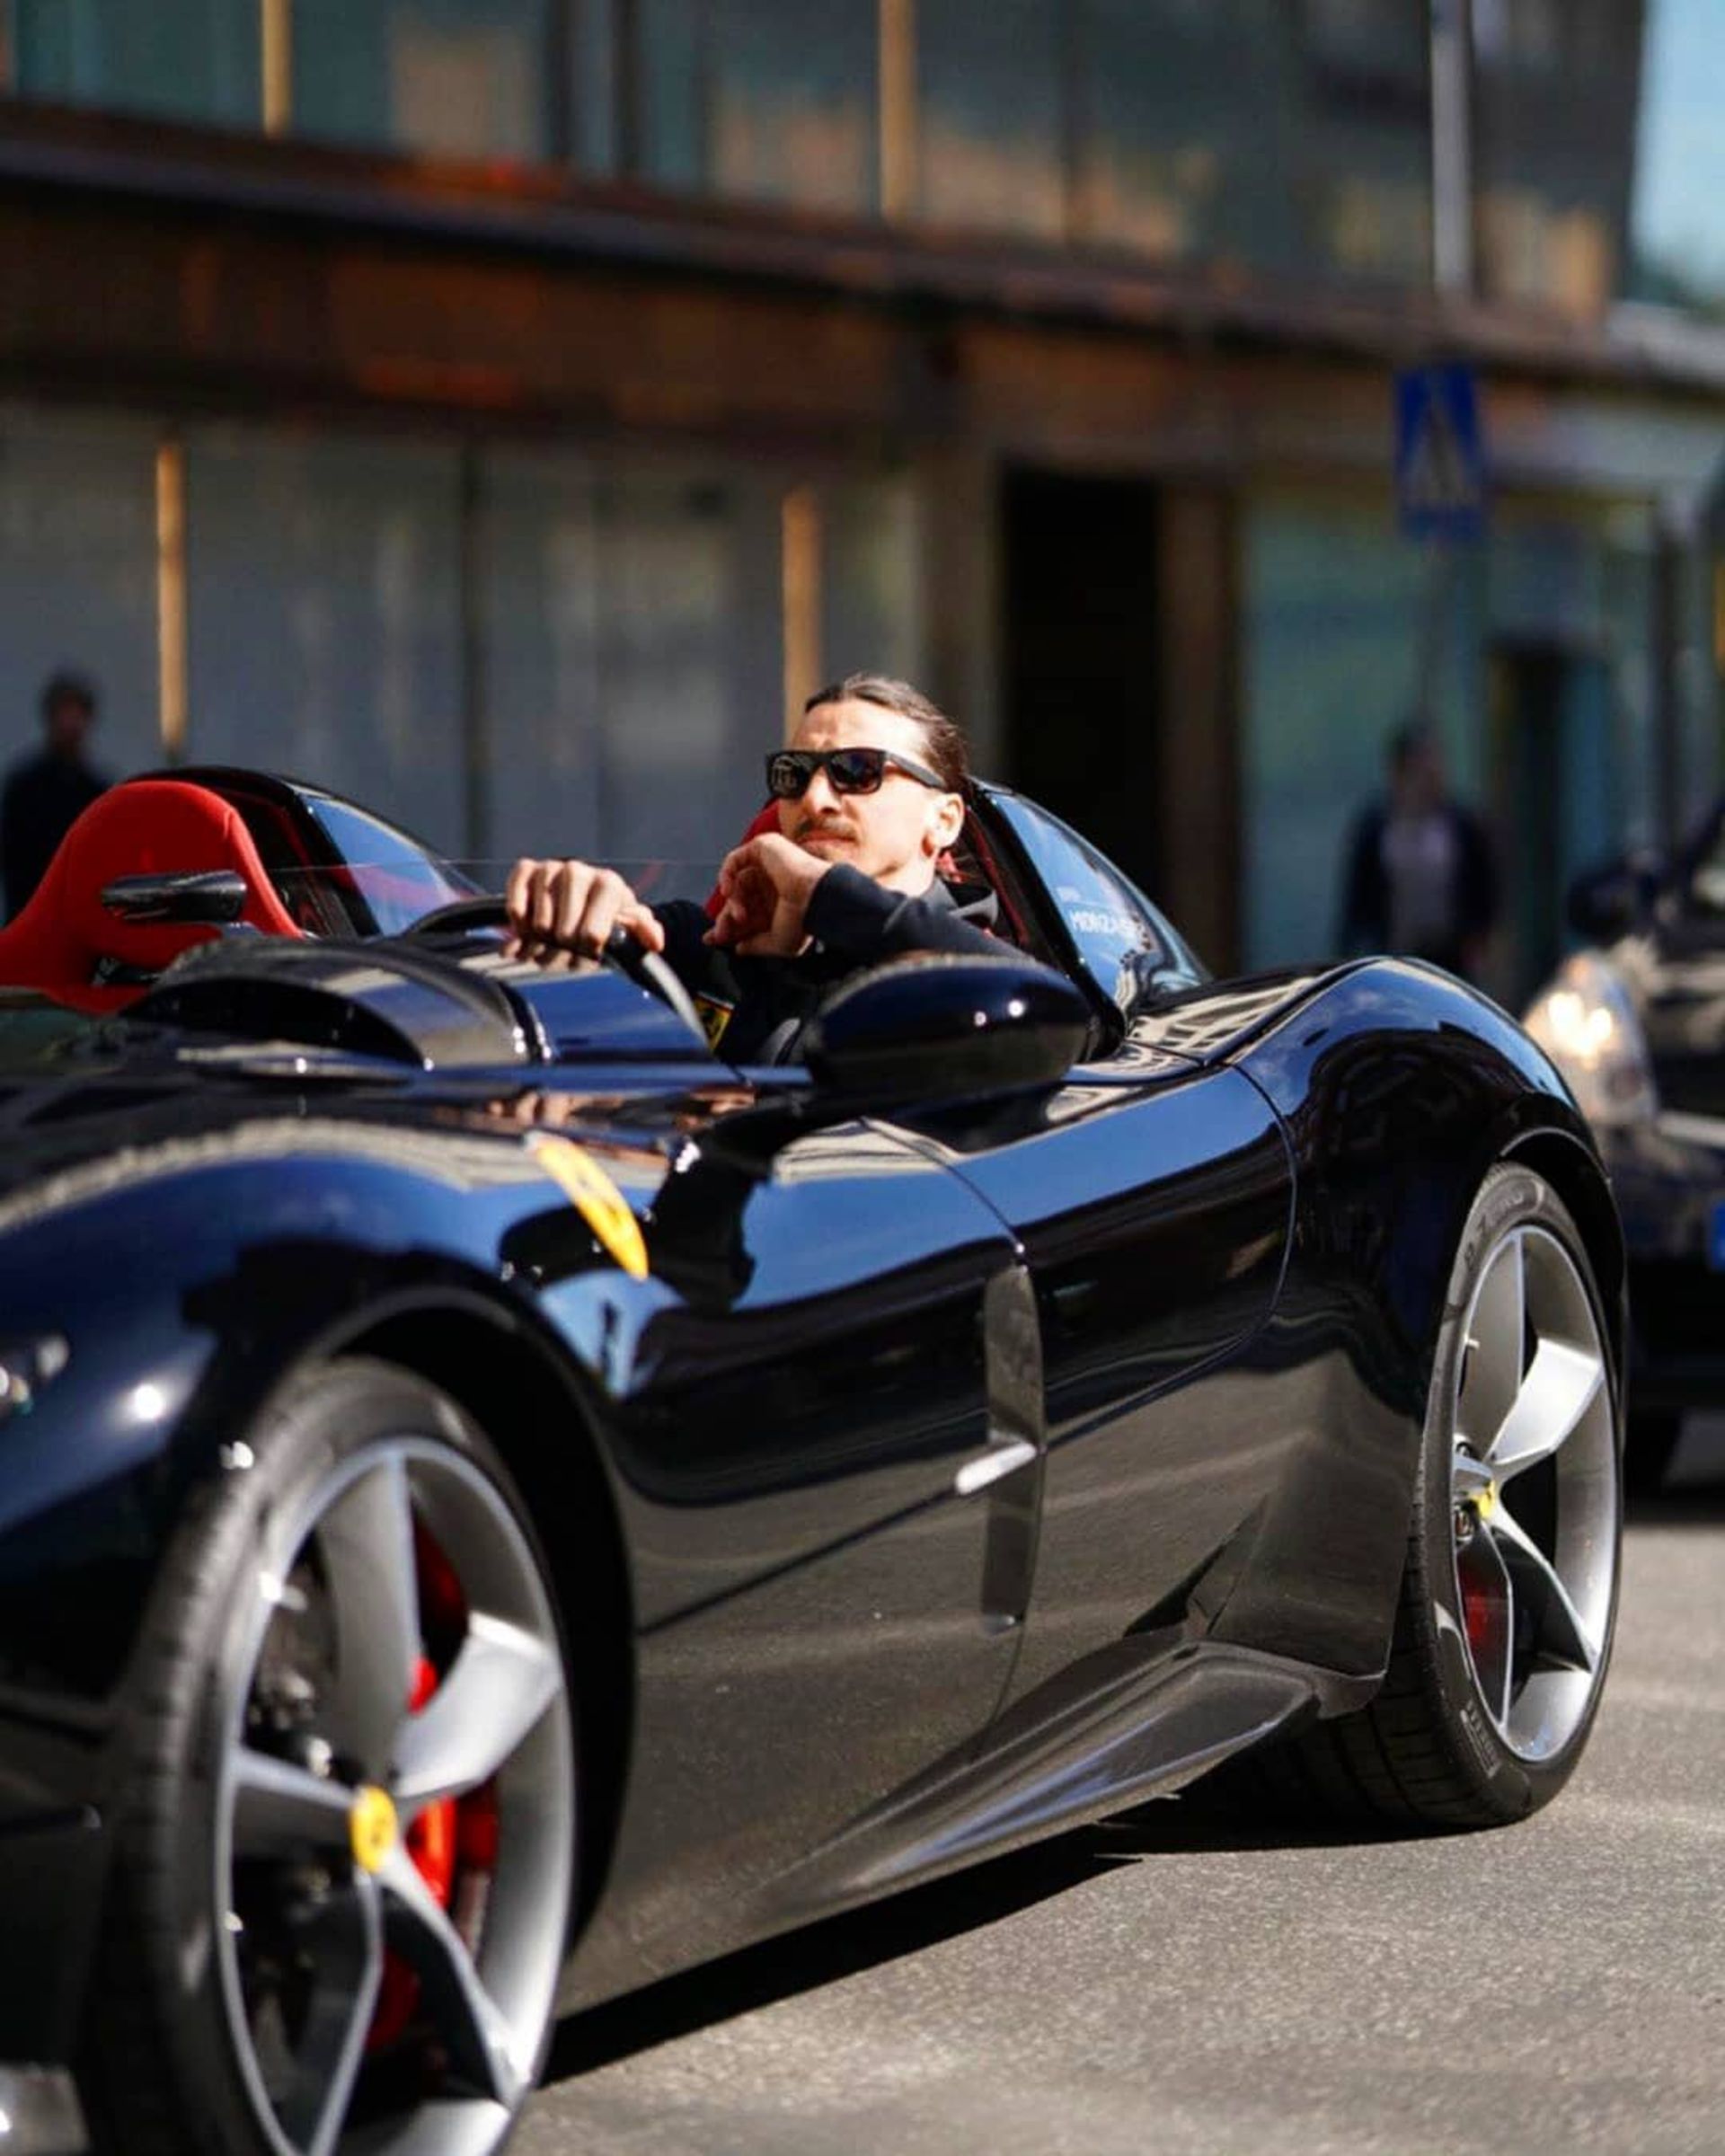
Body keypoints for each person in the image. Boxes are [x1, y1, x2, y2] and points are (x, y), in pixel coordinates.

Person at [505, 674, 1001, 1060]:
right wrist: (581, 901)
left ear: (944, 821)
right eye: (795, 774)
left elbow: (1054, 1012)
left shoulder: (978, 964)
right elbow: (634, 932)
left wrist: (820, 889)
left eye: (857, 770)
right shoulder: (722, 947)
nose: (814, 799)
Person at [1336, 721, 1498, 981]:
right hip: (1392, 953)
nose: (1431, 774)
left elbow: (1483, 889)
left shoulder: (1460, 825)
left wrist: (1478, 943)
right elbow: (1358, 897)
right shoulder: (1377, 826)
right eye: (1421, 766)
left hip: (1451, 957)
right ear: (1400, 771)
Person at [1, 670, 110, 920]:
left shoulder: (95, 791)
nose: (70, 723)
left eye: (77, 713)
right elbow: (14, 861)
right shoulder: (24, 787)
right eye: (65, 712)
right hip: (31, 915)